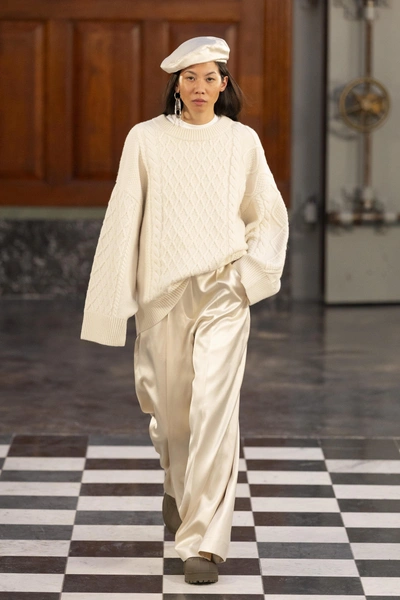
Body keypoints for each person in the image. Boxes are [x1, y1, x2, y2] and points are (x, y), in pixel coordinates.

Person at [81, 36, 289, 585]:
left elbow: (268, 214)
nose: (200, 87)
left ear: (225, 85)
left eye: (210, 77)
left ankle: (203, 542)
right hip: (162, 295)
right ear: (177, 84)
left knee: (214, 410)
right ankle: (177, 486)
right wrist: (111, 305)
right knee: (172, 414)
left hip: (223, 291)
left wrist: (246, 278)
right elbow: (124, 216)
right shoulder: (146, 138)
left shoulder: (242, 141)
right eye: (190, 78)